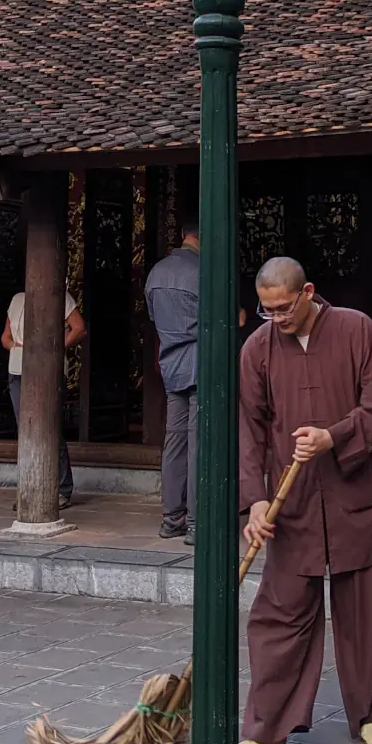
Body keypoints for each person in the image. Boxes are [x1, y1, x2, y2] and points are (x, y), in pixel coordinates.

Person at [238, 257, 372, 744]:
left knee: (367, 612)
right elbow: (250, 427)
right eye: (267, 311)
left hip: (356, 494)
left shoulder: (356, 329)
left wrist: (335, 436)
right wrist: (256, 500)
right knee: (279, 613)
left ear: (307, 292)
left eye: (284, 308)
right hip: (292, 503)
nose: (277, 319)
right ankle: (268, 727)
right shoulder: (257, 349)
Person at [3, 283, 86, 510]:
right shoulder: (17, 298)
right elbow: (6, 336)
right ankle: (29, 488)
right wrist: (15, 346)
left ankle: (62, 489)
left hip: (48, 371)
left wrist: (55, 348)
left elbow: (79, 328)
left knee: (50, 428)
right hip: (18, 371)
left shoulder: (60, 296)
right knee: (25, 431)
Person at [144, 213, 200, 541]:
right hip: (202, 363)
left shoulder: (156, 273)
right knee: (199, 444)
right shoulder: (204, 271)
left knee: (174, 441)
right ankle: (195, 520)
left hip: (171, 364)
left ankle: (171, 518)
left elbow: (155, 321)